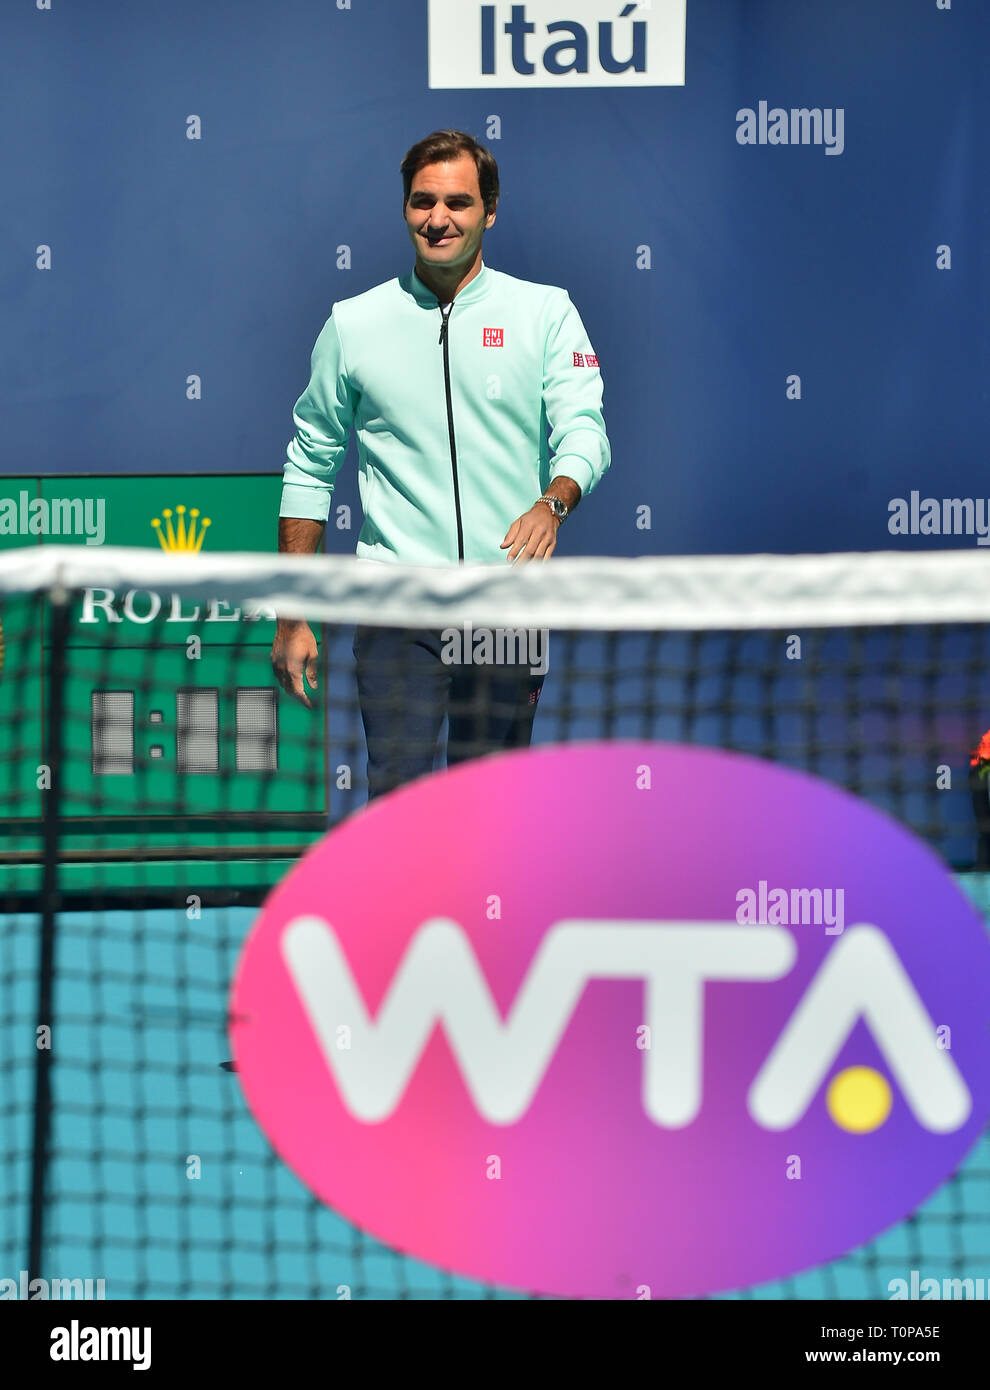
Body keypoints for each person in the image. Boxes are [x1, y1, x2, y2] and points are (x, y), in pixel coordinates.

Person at [271, 129, 610, 799]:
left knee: (490, 805)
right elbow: (310, 464)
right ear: (404, 210)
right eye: (423, 201)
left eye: (458, 202)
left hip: (505, 605)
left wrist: (554, 502)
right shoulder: (354, 324)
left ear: (490, 210)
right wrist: (292, 613)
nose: (439, 218)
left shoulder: (545, 313)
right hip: (396, 606)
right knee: (399, 803)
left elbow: (585, 430)